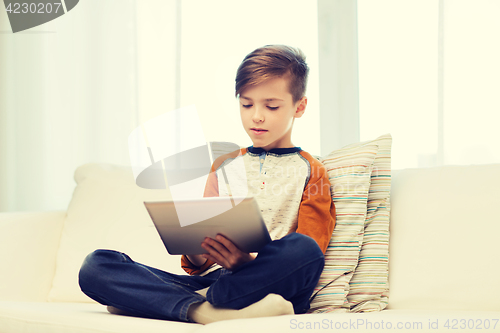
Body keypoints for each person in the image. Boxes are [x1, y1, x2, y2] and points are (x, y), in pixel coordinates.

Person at [78, 44, 336, 324]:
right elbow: (198, 263)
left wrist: (247, 264)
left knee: (303, 249)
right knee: (97, 266)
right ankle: (204, 312)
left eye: (271, 106)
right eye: (246, 104)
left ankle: (158, 303)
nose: (256, 116)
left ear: (300, 107)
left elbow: (311, 253)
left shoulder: (312, 170)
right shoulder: (225, 165)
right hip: (216, 285)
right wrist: (197, 248)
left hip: (274, 287)